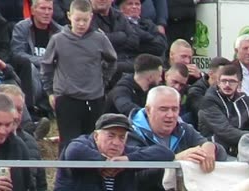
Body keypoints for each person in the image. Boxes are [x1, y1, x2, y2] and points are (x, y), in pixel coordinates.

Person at [40, 0, 116, 151]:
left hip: (94, 98)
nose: (81, 24)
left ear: (91, 17)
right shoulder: (58, 40)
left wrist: (103, 80)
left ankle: (91, 173)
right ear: (69, 16)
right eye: (77, 20)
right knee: (69, 143)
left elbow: (112, 60)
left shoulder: (99, 39)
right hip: (67, 97)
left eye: (85, 20)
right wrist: (50, 91)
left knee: (93, 142)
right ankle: (66, 173)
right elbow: (46, 65)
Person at [125, 85, 221, 191]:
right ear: (148, 110)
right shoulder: (130, 133)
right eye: (163, 109)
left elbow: (220, 153)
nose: (170, 115)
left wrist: (210, 148)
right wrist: (174, 162)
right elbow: (136, 177)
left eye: (175, 109)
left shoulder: (184, 129)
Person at [198, 62, 249, 156]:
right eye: (224, 81)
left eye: (232, 81)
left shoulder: (243, 99)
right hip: (218, 151)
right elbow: (226, 132)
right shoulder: (208, 102)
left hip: (242, 147)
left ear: (239, 83)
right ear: (218, 82)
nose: (227, 85)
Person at [9, 0, 64, 121]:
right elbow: (17, 53)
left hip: (52, 75)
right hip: (32, 74)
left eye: (49, 9)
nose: (47, 13)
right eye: (43, 8)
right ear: (33, 10)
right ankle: (32, 110)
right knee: (29, 67)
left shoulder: (60, 31)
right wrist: (44, 62)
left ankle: (49, 108)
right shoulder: (22, 27)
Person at [106, 52, 160, 116]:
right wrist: (149, 115)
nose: (160, 79)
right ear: (150, 77)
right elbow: (124, 106)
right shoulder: (121, 89)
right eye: (159, 75)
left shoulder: (152, 89)